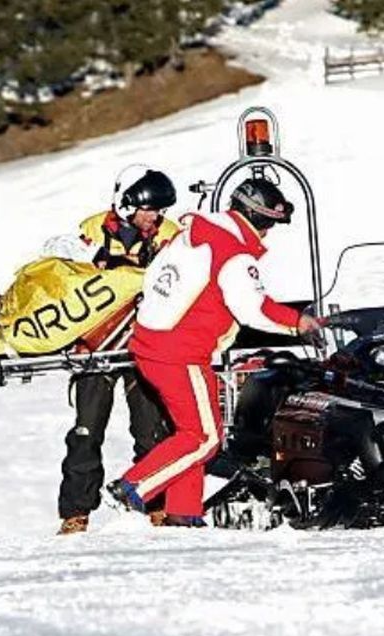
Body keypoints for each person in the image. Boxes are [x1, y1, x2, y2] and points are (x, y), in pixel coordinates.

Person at [106, 177, 324, 526]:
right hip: (180, 352)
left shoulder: (192, 234)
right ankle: (133, 486)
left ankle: (184, 513)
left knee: (188, 431)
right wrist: (299, 323)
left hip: (153, 344)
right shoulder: (232, 253)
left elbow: (153, 282)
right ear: (259, 219)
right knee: (204, 438)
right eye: (270, 224)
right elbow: (253, 308)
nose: (268, 234)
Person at [57, 165, 180, 534]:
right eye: (150, 209)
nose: (156, 217)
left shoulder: (170, 236)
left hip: (144, 346)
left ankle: (156, 503)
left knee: (151, 430)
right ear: (127, 205)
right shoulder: (93, 230)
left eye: (160, 210)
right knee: (85, 432)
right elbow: (61, 269)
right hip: (97, 348)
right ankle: (76, 513)